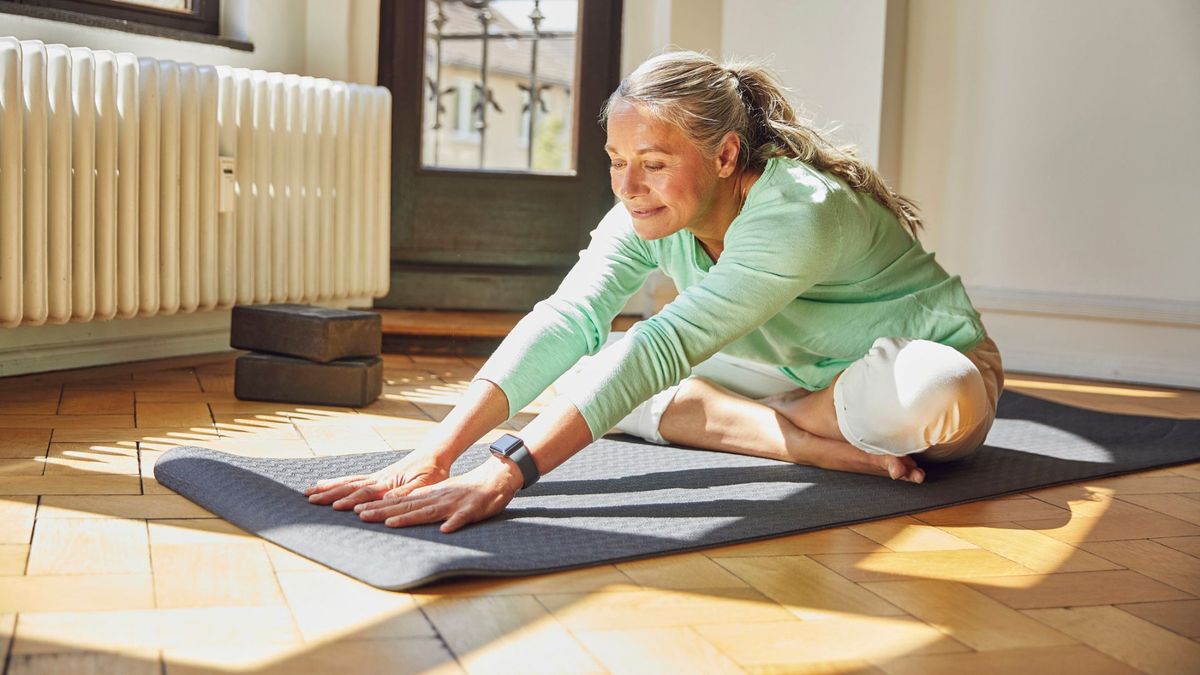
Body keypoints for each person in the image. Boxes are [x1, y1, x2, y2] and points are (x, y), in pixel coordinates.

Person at [304, 50, 1003, 533]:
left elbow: (665, 343)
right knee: (586, 364)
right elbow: (571, 315)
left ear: (726, 155)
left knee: (937, 394)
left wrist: (506, 471)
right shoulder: (651, 212)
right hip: (781, 372)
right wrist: (437, 450)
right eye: (615, 161)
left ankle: (800, 420)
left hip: (911, 369)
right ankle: (814, 439)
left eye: (653, 163)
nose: (628, 186)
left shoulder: (798, 210)